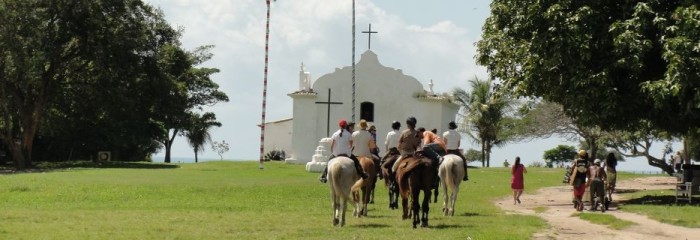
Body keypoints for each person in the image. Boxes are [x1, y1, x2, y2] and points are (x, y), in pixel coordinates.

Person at [319, 119, 368, 183]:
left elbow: (332, 145)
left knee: (328, 163)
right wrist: (349, 150)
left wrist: (333, 152)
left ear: (339, 126)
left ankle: (324, 176)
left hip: (336, 153)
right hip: (346, 153)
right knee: (356, 162)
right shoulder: (348, 134)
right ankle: (362, 173)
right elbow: (350, 145)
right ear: (345, 126)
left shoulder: (335, 134)